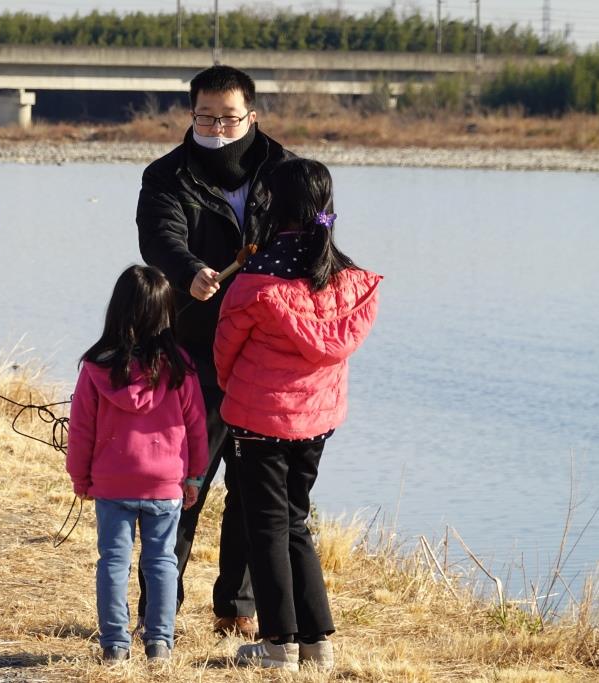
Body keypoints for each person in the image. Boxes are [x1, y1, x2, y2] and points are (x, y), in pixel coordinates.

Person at [135, 64, 293, 638]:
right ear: (192, 115)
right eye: (205, 118)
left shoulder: (284, 171)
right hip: (192, 352)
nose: (217, 129)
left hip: (263, 356)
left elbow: (316, 232)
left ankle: (237, 608)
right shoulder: (166, 174)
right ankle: (159, 611)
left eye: (228, 118)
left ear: (252, 115)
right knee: (179, 488)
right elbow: (159, 237)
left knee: (253, 492)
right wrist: (188, 271)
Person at [213, 158, 381, 671]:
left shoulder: (256, 280)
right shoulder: (347, 280)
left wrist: (234, 391)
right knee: (296, 522)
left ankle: (278, 645)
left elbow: (224, 351)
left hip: (258, 420)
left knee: (267, 528)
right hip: (317, 421)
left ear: (272, 205)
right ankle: (316, 643)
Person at [66, 265, 209, 664]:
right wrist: (195, 476)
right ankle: (159, 643)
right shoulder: (180, 367)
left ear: (117, 310)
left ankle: (115, 646)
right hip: (166, 482)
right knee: (162, 561)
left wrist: (80, 476)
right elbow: (197, 427)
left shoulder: (97, 367)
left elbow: (81, 429)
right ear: (166, 314)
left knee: (114, 562)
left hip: (113, 482)